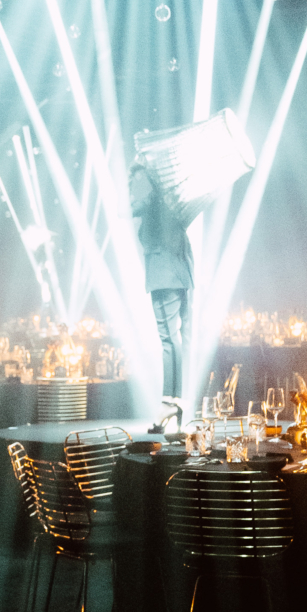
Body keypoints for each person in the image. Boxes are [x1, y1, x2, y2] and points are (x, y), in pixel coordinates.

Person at [127, 154, 192, 431]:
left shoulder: (151, 193)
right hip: (178, 273)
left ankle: (170, 400)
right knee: (175, 337)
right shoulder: (170, 198)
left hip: (165, 275)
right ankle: (174, 401)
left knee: (169, 338)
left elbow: (128, 208)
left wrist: (133, 178)